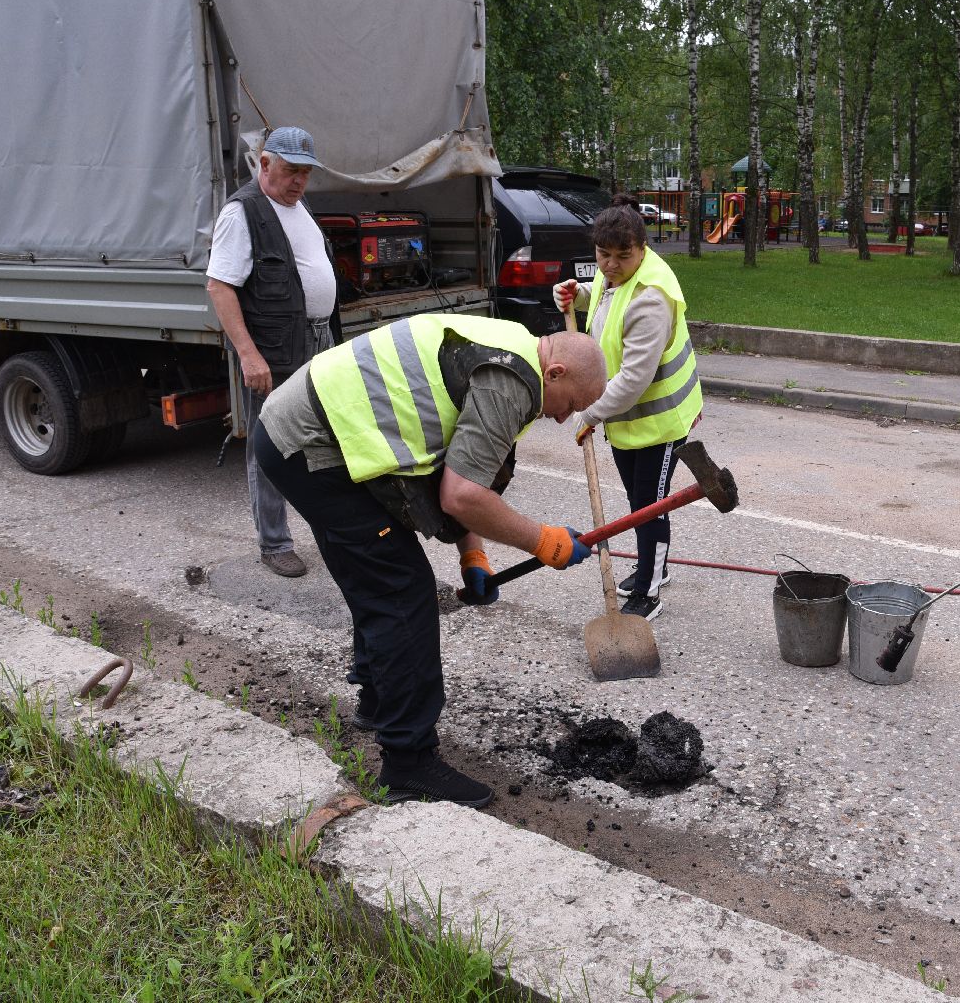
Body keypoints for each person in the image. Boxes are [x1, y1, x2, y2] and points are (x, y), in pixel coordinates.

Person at [252, 313, 607, 808]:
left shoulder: (509, 346)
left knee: (375, 573)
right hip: (311, 444)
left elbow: (458, 471)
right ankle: (409, 763)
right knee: (402, 592)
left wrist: (474, 556)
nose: (564, 418)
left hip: (299, 430)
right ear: (557, 373)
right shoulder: (510, 381)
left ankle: (377, 701)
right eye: (573, 405)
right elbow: (462, 495)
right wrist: (543, 542)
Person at [552, 193, 704, 621]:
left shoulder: (651, 299)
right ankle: (653, 567)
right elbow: (605, 295)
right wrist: (576, 293)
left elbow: (634, 381)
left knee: (648, 507)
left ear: (643, 248)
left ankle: (649, 591)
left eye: (623, 256)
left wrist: (588, 412)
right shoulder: (616, 275)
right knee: (640, 502)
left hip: (660, 423)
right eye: (603, 256)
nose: (611, 265)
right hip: (628, 422)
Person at [205, 126, 340, 579]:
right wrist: (249, 355)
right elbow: (220, 287)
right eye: (290, 171)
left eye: (305, 173)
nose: (299, 181)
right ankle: (274, 543)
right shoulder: (242, 213)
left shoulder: (298, 208)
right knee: (271, 448)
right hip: (275, 351)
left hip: (319, 343)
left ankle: (329, 527)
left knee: (325, 439)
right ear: (264, 164)